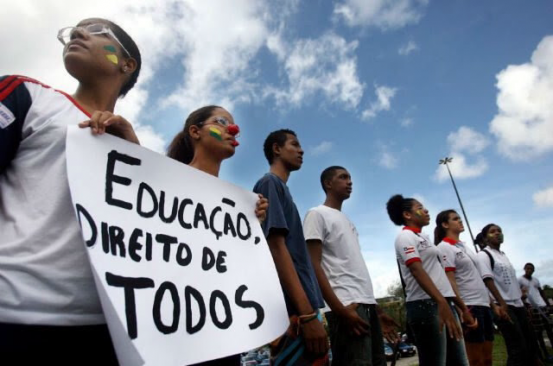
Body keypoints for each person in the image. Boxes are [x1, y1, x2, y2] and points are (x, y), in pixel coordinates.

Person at [0, 18, 142, 363]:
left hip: (107, 334)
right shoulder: (25, 94)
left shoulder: (132, 148)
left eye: (97, 31)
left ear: (127, 64)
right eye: (73, 31)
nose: (76, 34)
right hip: (14, 318)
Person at [165, 105, 268, 366]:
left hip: (220, 328)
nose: (232, 129)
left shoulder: (238, 203)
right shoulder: (163, 182)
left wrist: (251, 226)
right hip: (172, 327)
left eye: (233, 125)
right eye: (221, 122)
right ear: (195, 131)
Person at [304, 166, 399, 366]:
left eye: (350, 178)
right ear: (328, 184)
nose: (350, 182)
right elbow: (313, 263)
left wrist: (378, 311)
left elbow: (354, 269)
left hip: (366, 306)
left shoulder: (347, 221)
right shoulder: (316, 214)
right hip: (347, 306)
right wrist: (340, 310)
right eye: (343, 177)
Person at [253, 129, 329, 365]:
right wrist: (306, 316)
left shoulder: (282, 190)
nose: (301, 150)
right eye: (294, 144)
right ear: (277, 149)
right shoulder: (269, 183)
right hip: (294, 314)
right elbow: (276, 248)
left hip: (304, 310)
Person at [386, 195, 467, 366]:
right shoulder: (405, 237)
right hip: (426, 305)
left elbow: (440, 275)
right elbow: (416, 269)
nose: (426, 210)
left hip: (444, 304)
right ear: (407, 215)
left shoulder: (425, 239)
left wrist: (457, 305)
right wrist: (440, 301)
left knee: (459, 361)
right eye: (420, 207)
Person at [434, 210, 493, 366]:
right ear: (445, 225)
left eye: (460, 218)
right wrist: (463, 311)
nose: (460, 221)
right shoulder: (444, 247)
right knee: (476, 360)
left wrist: (492, 303)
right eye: (455, 219)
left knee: (487, 359)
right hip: (470, 305)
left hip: (484, 304)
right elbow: (450, 281)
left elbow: (478, 277)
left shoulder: (465, 247)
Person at [475, 224, 539, 366]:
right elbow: (487, 279)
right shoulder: (483, 255)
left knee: (530, 344)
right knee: (517, 348)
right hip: (504, 306)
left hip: (518, 305)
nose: (497, 233)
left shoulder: (503, 256)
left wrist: (522, 300)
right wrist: (500, 303)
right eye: (493, 232)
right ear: (485, 238)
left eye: (499, 231)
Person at [519, 263, 553, 363]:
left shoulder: (536, 280)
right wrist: (525, 305)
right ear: (524, 269)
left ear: (533, 271)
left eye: (531, 269)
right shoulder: (520, 280)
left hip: (543, 307)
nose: (529, 270)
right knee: (538, 333)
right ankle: (545, 354)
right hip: (533, 308)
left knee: (549, 330)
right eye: (528, 268)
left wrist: (548, 304)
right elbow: (518, 293)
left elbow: (541, 292)